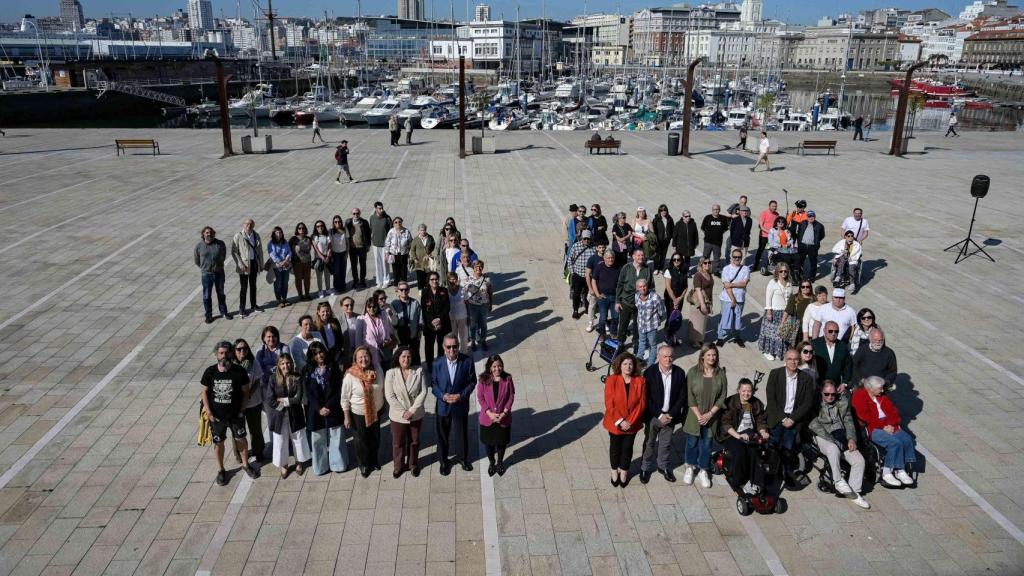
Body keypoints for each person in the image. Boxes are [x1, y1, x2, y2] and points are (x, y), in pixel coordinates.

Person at [201, 341, 257, 485]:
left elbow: (246, 392)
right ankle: (221, 470)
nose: (224, 356)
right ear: (216, 355)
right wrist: (208, 411)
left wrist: (242, 410)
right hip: (217, 417)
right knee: (218, 443)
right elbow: (204, 392)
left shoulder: (239, 371)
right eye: (221, 353)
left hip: (236, 416)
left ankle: (246, 465)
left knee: (241, 440)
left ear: (231, 353)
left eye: (226, 353)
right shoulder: (210, 372)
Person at [808, 380, 870, 508]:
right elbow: (814, 424)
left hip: (841, 436)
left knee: (859, 461)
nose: (830, 397)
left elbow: (849, 422)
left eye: (833, 394)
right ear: (821, 393)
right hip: (823, 436)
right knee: (833, 448)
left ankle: (854, 492)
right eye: (827, 394)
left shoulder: (842, 402)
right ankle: (838, 481)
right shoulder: (815, 403)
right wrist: (832, 439)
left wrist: (851, 438)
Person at [851, 376, 917, 488]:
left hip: (888, 425)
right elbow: (865, 417)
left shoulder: (881, 396)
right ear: (871, 388)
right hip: (873, 427)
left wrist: (891, 424)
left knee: (906, 439)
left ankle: (900, 469)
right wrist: (883, 426)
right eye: (880, 388)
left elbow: (893, 411)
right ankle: (887, 472)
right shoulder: (859, 396)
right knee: (894, 443)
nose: (882, 390)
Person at [765, 348, 815, 485]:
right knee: (773, 447)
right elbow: (771, 399)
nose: (793, 362)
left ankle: (786, 473)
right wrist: (783, 418)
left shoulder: (806, 379)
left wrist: (792, 419)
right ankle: (771, 474)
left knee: (788, 448)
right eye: (790, 359)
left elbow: (807, 403)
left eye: (796, 359)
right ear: (785, 361)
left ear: (799, 361)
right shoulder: (775, 374)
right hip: (777, 417)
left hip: (794, 419)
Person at [639, 345, 687, 483]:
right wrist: (660, 415)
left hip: (670, 416)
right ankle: (645, 467)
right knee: (649, 443)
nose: (668, 359)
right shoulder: (649, 372)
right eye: (665, 356)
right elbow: (646, 397)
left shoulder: (679, 373)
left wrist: (671, 414)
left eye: (670, 356)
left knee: (665, 444)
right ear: (658, 357)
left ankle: (663, 466)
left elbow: (682, 396)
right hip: (654, 416)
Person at [682, 344, 727, 488]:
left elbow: (722, 397)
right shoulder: (693, 372)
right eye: (708, 355)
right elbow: (689, 397)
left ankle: (703, 470)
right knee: (692, 443)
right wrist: (699, 415)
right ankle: (689, 467)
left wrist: (710, 414)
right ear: (702, 356)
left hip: (711, 417)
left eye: (714, 355)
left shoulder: (720, 374)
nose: (711, 357)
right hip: (694, 415)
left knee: (707, 445)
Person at [432, 333, 477, 475]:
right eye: (449, 347)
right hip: (443, 406)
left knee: (461, 434)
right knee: (442, 436)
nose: (452, 350)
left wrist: (460, 396)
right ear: (443, 347)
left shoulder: (467, 361)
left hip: (460, 404)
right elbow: (434, 385)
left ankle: (463, 459)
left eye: (455, 346)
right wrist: (443, 396)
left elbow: (472, 382)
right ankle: (444, 461)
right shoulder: (437, 363)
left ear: (458, 346)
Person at [718, 378, 769, 495]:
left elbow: (760, 420)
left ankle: (756, 481)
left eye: (749, 391)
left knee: (756, 454)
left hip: (750, 434)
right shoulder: (731, 402)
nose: (746, 394)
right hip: (733, 435)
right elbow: (726, 423)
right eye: (744, 391)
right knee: (740, 453)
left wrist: (763, 431)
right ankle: (739, 480)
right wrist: (738, 435)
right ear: (738, 390)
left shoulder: (755, 403)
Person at [304, 342, 348, 475]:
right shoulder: (307, 370)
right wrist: (319, 408)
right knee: (318, 440)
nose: (319, 355)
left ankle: (338, 464)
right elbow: (308, 393)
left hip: (333, 408)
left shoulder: (333, 367)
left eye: (321, 352)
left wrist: (328, 406)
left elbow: (338, 389)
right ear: (312, 356)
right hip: (315, 411)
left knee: (336, 437)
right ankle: (320, 467)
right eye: (316, 353)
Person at [603, 352, 647, 488]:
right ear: (619, 366)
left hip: (632, 424)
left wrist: (630, 422)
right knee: (615, 448)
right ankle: (614, 471)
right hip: (615, 423)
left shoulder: (640, 381)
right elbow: (609, 403)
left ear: (634, 366)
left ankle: (624, 472)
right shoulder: (612, 380)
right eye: (625, 364)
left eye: (630, 364)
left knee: (627, 448)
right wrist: (621, 421)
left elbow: (642, 403)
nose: (628, 366)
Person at [264, 352, 310, 478]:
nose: (286, 366)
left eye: (288, 362)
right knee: (280, 441)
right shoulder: (273, 379)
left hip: (295, 414)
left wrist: (284, 401)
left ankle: (299, 462)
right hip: (279, 416)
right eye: (282, 363)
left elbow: (298, 398)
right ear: (278, 365)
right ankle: (284, 464)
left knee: (298, 438)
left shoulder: (297, 377)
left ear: (292, 363)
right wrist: (282, 405)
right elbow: (270, 398)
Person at [342, 346, 385, 477]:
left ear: (370, 357)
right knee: (361, 440)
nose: (363, 359)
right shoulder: (350, 375)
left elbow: (382, 386)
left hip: (376, 410)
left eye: (366, 356)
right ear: (355, 359)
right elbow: (344, 397)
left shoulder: (377, 368)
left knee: (375, 437)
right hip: (358, 414)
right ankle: (364, 464)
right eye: (360, 357)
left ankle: (374, 460)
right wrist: (347, 417)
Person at [385, 346, 427, 477]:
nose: (406, 359)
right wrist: (403, 412)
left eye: (408, 356)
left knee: (414, 441)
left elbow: (423, 391)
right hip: (398, 415)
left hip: (415, 414)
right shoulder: (391, 373)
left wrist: (412, 410)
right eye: (403, 356)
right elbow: (389, 396)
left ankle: (413, 464)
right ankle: (398, 466)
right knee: (398, 442)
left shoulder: (419, 371)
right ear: (398, 358)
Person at [478, 355, 515, 477]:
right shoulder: (483, 380)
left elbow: (511, 396)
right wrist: (489, 413)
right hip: (488, 419)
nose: (497, 369)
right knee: (488, 444)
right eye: (494, 366)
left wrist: (504, 413)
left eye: (499, 366)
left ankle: (500, 462)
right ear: (489, 367)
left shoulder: (507, 379)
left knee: (501, 443)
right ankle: (492, 462)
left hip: (503, 418)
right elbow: (481, 397)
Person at [232, 338, 265, 463]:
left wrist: (250, 393)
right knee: (238, 431)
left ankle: (258, 451)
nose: (242, 351)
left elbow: (257, 379)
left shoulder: (253, 362)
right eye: (239, 349)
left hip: (252, 402)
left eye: (245, 348)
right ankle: (239, 454)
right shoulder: (231, 365)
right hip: (237, 404)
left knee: (255, 429)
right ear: (234, 351)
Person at [615, 248, 654, 351]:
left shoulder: (647, 269)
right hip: (626, 303)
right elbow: (619, 285)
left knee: (638, 328)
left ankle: (636, 346)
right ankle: (619, 345)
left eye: (642, 255)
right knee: (622, 326)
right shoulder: (626, 268)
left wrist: (649, 301)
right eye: (638, 255)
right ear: (633, 256)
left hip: (640, 305)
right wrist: (617, 301)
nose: (641, 257)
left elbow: (651, 287)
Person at [195, 226, 232, 324]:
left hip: (219, 273)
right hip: (206, 274)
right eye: (207, 232)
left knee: (221, 293)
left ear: (214, 233)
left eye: (211, 232)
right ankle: (209, 315)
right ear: (203, 234)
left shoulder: (220, 244)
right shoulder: (199, 246)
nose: (209, 234)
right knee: (207, 296)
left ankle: (224, 312)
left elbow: (223, 255)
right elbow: (197, 260)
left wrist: (218, 265)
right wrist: (205, 268)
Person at [758, 262, 794, 361]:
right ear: (777, 271)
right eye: (781, 271)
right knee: (771, 333)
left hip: (785, 312)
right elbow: (768, 298)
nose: (783, 273)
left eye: (785, 271)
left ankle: (778, 351)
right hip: (774, 311)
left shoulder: (789, 283)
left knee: (782, 334)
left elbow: (791, 298)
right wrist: (769, 311)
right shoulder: (773, 282)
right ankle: (768, 351)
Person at [716, 249, 751, 347]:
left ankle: (737, 337)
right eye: (735, 257)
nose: (737, 259)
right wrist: (733, 299)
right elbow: (727, 288)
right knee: (724, 317)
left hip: (740, 298)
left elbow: (744, 283)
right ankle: (720, 337)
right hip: (727, 298)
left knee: (737, 318)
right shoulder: (726, 268)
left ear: (741, 258)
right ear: (731, 257)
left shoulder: (745, 269)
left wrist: (731, 284)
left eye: (739, 257)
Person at [231, 219, 263, 317]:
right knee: (243, 288)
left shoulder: (256, 235)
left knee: (253, 286)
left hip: (254, 263)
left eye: (251, 224)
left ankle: (254, 305)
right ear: (243, 225)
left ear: (253, 225)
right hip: (244, 265)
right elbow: (234, 251)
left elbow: (260, 251)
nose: (248, 226)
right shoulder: (238, 236)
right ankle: (242, 308)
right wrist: (240, 263)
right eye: (247, 224)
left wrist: (261, 264)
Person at [356, 296, 394, 372]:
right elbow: (358, 340)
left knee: (387, 372)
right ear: (366, 307)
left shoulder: (382, 315)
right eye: (369, 307)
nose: (371, 309)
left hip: (384, 352)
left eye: (374, 307)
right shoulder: (361, 319)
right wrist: (360, 355)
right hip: (370, 355)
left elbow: (387, 331)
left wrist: (387, 340)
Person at [421, 271, 451, 367]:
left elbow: (447, 307)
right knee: (429, 347)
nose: (435, 281)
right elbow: (424, 310)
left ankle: (440, 364)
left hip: (443, 323)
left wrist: (439, 319)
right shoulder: (425, 292)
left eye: (436, 279)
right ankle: (429, 365)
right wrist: (432, 322)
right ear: (429, 281)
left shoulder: (444, 290)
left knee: (441, 346)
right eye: (432, 279)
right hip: (430, 325)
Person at [812, 321, 853, 390]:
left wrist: (844, 383)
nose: (833, 333)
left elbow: (848, 366)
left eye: (836, 331)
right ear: (824, 330)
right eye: (830, 331)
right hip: (817, 386)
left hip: (836, 387)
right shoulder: (815, 344)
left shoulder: (843, 346)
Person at [390, 281, 423, 365]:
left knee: (415, 355)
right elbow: (391, 321)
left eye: (406, 289)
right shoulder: (394, 304)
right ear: (398, 290)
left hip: (413, 334)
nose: (404, 291)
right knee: (402, 356)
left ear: (409, 290)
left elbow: (420, 318)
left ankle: (417, 371)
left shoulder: (415, 303)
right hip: (401, 335)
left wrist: (419, 332)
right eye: (401, 290)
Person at [634, 279, 665, 365]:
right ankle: (638, 360)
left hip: (652, 327)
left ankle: (650, 365)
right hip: (641, 325)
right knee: (642, 342)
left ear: (647, 286)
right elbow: (638, 308)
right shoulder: (636, 296)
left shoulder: (655, 297)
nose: (643, 288)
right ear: (637, 288)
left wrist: (657, 319)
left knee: (653, 346)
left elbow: (661, 310)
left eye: (644, 286)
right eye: (640, 287)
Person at [566, 230, 596, 320]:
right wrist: (572, 272)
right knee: (576, 294)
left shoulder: (594, 247)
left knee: (588, 293)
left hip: (589, 276)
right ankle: (575, 310)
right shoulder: (576, 246)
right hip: (578, 275)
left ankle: (587, 308)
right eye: (585, 238)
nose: (586, 240)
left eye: (588, 239)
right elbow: (569, 259)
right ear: (581, 238)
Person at [464, 260, 493, 352]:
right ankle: (473, 341)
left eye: (480, 266)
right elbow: (465, 291)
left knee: (483, 324)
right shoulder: (469, 279)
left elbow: (490, 292)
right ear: (473, 268)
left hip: (484, 305)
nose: (478, 268)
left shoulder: (487, 279)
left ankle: (483, 340)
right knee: (473, 325)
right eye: (476, 267)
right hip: (472, 305)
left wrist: (491, 303)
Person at [590, 249, 620, 335]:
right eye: (608, 258)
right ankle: (602, 334)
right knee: (603, 318)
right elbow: (594, 280)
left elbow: (621, 282)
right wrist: (597, 294)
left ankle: (613, 333)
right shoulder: (599, 267)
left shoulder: (618, 267)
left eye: (612, 258)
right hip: (603, 297)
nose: (611, 260)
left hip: (615, 297)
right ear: (604, 258)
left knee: (615, 317)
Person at [663, 252, 688, 346]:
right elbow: (668, 287)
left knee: (676, 317)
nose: (676, 261)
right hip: (670, 297)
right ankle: (667, 335)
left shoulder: (684, 270)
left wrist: (680, 298)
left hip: (680, 298)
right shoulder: (668, 271)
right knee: (670, 316)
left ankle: (674, 337)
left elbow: (686, 286)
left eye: (678, 259)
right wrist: (674, 299)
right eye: (674, 259)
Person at [688, 257, 714, 348]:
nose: (707, 264)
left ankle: (699, 340)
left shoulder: (709, 274)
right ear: (701, 265)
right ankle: (694, 341)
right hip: (699, 302)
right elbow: (698, 290)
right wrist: (702, 304)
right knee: (697, 322)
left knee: (703, 322)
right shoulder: (698, 275)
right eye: (705, 263)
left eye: (709, 263)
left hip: (707, 301)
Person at [793, 210, 825, 281]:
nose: (811, 217)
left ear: (815, 217)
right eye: (809, 216)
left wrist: (815, 241)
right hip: (802, 246)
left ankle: (811, 277)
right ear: (807, 217)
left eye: (813, 216)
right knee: (800, 261)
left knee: (813, 263)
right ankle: (800, 275)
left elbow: (822, 235)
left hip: (812, 247)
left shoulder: (819, 226)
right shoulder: (802, 223)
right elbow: (798, 233)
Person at [781, 280, 814, 346]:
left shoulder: (814, 299)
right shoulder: (795, 297)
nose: (805, 288)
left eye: (807, 287)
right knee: (794, 347)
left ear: (810, 288)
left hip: (809, 328)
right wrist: (782, 323)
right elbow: (787, 311)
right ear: (800, 288)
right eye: (803, 287)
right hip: (795, 328)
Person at [369, 202, 393, 288]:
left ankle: (386, 281)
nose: (381, 210)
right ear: (375, 209)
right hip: (375, 244)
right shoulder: (372, 218)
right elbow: (371, 229)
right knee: (378, 263)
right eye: (379, 208)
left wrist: (390, 246)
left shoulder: (387, 218)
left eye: (382, 208)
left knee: (385, 263)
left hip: (385, 245)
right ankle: (379, 281)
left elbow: (391, 232)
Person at [385, 216, 413, 287]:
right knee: (395, 270)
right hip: (394, 254)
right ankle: (396, 285)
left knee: (403, 270)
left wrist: (410, 252)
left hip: (404, 254)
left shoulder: (406, 231)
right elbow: (387, 243)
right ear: (393, 223)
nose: (398, 223)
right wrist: (387, 253)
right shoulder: (391, 231)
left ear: (401, 223)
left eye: (399, 222)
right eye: (396, 222)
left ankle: (404, 284)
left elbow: (410, 242)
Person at [346, 208, 370, 289]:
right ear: (351, 214)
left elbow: (368, 234)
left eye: (357, 213)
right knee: (354, 265)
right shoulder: (348, 222)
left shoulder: (364, 222)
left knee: (363, 265)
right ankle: (355, 281)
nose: (356, 215)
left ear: (360, 213)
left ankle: (362, 281)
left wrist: (368, 245)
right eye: (354, 213)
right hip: (352, 248)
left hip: (362, 247)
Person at [700, 205, 728, 275]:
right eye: (714, 209)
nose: (716, 211)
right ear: (712, 210)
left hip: (717, 242)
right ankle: (704, 269)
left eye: (717, 209)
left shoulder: (723, 218)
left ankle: (716, 270)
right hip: (708, 242)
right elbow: (703, 228)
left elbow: (725, 229)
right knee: (706, 257)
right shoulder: (707, 218)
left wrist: (718, 234)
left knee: (717, 258)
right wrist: (709, 235)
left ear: (719, 210)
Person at [289, 222, 313, 300]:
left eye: (303, 228)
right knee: (298, 279)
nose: (301, 229)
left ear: (305, 229)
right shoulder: (293, 239)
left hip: (307, 262)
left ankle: (307, 294)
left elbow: (310, 249)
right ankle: (300, 295)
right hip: (297, 262)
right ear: (297, 229)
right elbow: (288, 249)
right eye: (299, 228)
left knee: (307, 279)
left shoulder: (308, 239)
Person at [447, 272, 469, 353]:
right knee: (453, 337)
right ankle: (454, 352)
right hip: (451, 318)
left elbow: (467, 302)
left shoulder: (462, 289)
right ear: (448, 280)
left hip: (462, 316)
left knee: (463, 336)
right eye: (450, 279)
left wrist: (469, 316)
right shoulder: (445, 291)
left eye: (454, 279)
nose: (452, 281)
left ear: (457, 280)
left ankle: (464, 351)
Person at [410, 224, 436, 292]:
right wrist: (414, 258)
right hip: (419, 262)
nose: (423, 231)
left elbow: (434, 246)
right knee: (420, 277)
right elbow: (412, 250)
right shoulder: (415, 240)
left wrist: (431, 254)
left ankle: (427, 289)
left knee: (427, 276)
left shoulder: (430, 238)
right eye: (421, 230)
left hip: (428, 261)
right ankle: (420, 290)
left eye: (424, 230)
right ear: (418, 231)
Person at [753, 201, 779, 271]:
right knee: (760, 250)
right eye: (773, 206)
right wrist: (770, 232)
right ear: (769, 206)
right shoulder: (764, 213)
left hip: (771, 238)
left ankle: (768, 265)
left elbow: (777, 225)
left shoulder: (776, 214)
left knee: (770, 250)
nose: (774, 207)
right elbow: (761, 226)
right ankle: (756, 265)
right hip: (763, 236)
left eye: (775, 206)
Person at [311, 220, 332, 298]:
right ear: (315, 228)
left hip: (327, 258)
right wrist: (323, 258)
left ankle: (328, 289)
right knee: (319, 276)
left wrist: (328, 255)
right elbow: (316, 249)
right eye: (318, 226)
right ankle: (320, 291)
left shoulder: (327, 235)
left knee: (327, 275)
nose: (320, 227)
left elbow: (330, 245)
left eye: (321, 226)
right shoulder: (314, 236)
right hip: (319, 259)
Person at [652, 204, 674, 272]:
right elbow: (653, 230)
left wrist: (671, 238)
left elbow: (672, 229)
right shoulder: (656, 219)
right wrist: (655, 239)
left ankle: (661, 268)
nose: (663, 211)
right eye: (661, 210)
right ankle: (656, 268)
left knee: (663, 255)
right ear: (659, 211)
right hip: (658, 241)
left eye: (665, 210)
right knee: (657, 255)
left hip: (666, 240)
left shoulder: (670, 219)